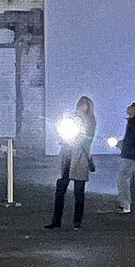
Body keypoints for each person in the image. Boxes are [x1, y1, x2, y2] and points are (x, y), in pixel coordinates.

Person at [46, 95, 95, 230]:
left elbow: (88, 139)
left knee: (79, 192)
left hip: (80, 158)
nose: (82, 107)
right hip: (68, 156)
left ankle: (77, 222)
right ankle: (56, 221)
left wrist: (78, 137)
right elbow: (61, 134)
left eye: (85, 104)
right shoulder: (71, 118)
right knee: (60, 189)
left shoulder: (90, 121)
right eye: (81, 104)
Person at [114, 102, 135, 213]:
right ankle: (128, 203)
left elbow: (133, 140)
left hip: (128, 155)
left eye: (131, 107)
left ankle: (125, 205)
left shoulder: (134, 123)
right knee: (126, 179)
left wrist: (126, 148)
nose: (128, 108)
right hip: (129, 154)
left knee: (123, 180)